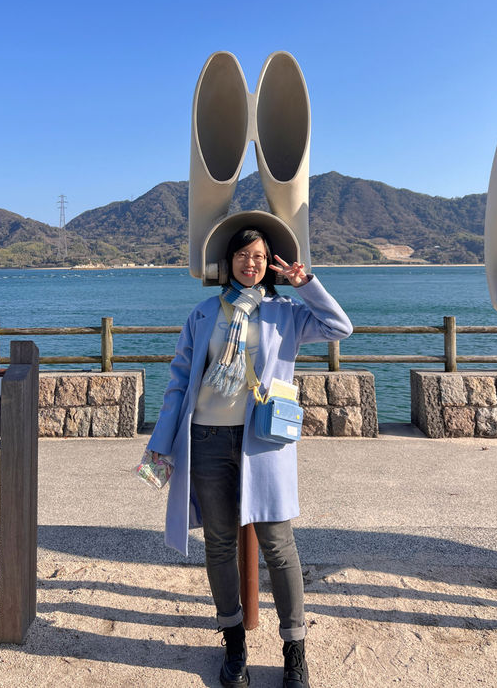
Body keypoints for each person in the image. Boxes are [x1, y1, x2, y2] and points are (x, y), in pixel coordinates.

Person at [147, 226, 352, 688]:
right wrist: (161, 441)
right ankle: (234, 640)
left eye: (259, 255)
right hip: (207, 438)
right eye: (242, 254)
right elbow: (180, 381)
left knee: (279, 546)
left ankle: (294, 648)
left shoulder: (286, 313)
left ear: (269, 262)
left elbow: (341, 327)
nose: (251, 263)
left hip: (264, 441)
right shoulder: (204, 314)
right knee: (219, 543)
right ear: (229, 261)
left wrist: (307, 284)